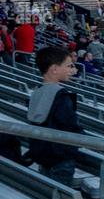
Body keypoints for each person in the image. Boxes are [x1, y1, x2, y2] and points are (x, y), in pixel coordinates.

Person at [26, 46, 83, 184]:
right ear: (54, 69)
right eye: (69, 66)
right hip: (60, 157)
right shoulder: (62, 95)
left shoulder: (37, 91)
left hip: (43, 154)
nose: (72, 70)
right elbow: (71, 125)